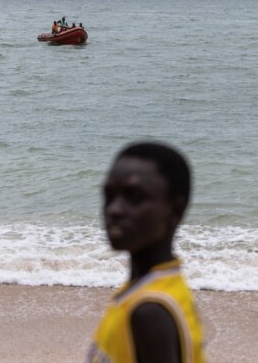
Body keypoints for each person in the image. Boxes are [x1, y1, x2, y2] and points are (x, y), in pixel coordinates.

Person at [87, 142, 205, 363]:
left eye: (134, 197)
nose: (114, 209)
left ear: (175, 210)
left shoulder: (149, 311)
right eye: (109, 195)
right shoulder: (161, 287)